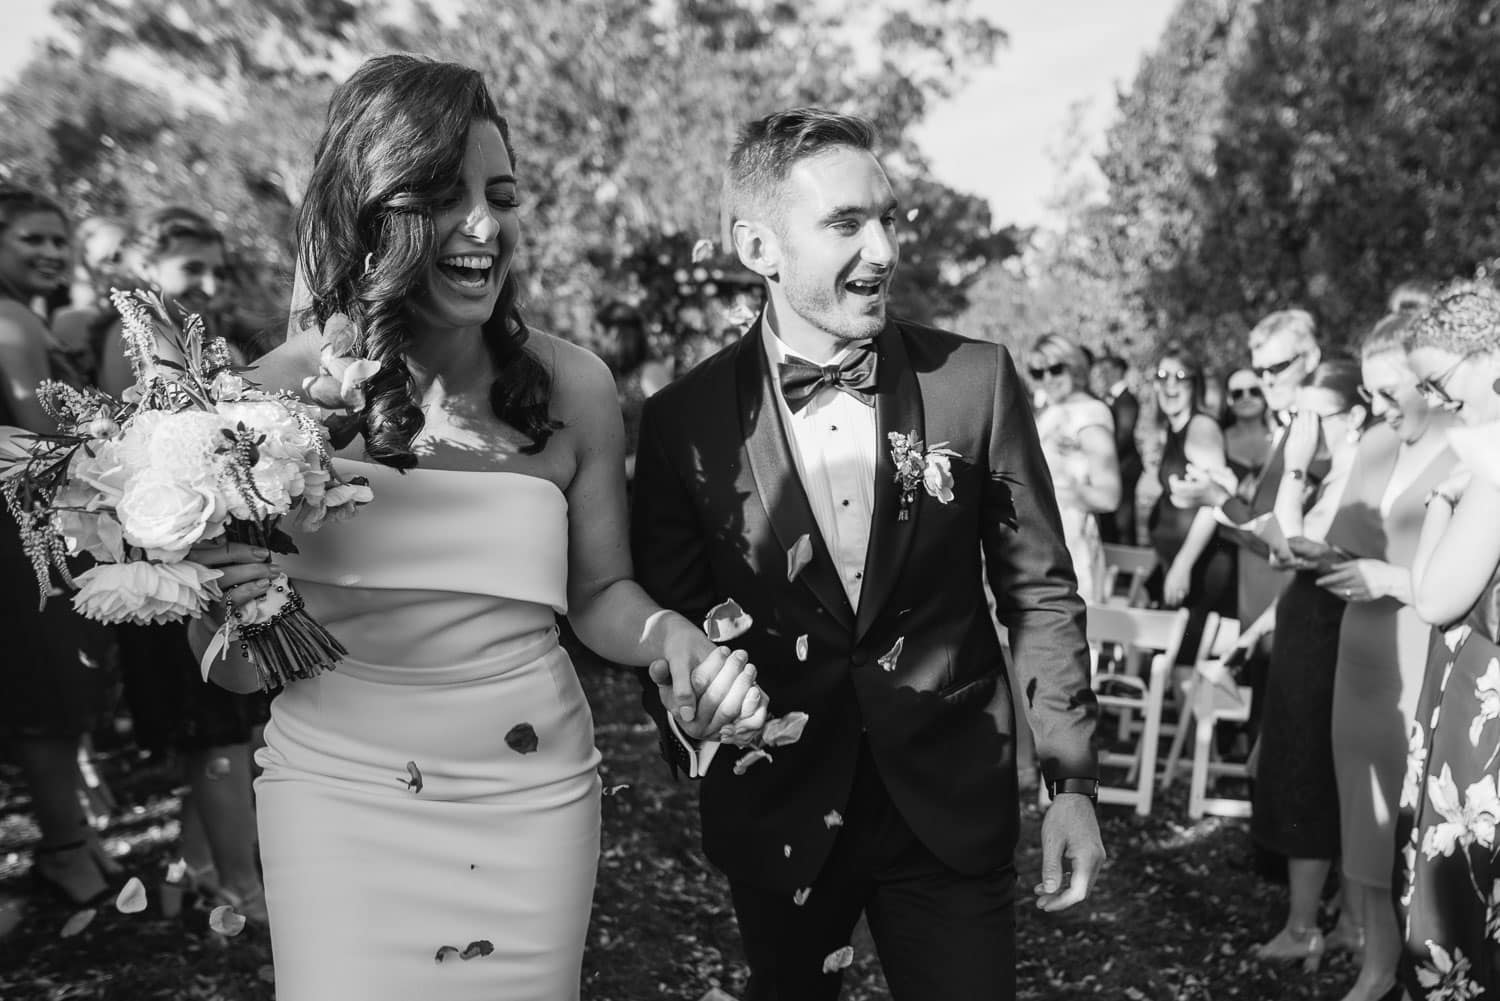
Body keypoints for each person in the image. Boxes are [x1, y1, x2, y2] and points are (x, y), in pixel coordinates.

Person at [191, 55, 764, 1001]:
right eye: (447, 197)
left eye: (501, 195)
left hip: (530, 794)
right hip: (337, 793)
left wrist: (674, 638)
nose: (486, 227)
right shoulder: (262, 401)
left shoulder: (574, 386)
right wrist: (230, 611)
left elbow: (599, 595)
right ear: (375, 209)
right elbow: (229, 667)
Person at [630, 107, 1104, 1001]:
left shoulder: (974, 381)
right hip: (779, 809)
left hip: (951, 799)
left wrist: (1070, 779)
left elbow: (1038, 589)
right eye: (846, 224)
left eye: (888, 218)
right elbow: (676, 623)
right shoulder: (681, 424)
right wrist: (689, 714)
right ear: (758, 246)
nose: (884, 250)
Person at [1318, 313, 1456, 1001]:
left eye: (1388, 391)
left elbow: (1464, 580)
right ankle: (1374, 964)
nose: (1375, 406)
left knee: (1413, 827)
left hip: (1421, 657)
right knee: (1361, 820)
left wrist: (1392, 580)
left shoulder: (1469, 453)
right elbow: (1347, 539)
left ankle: (1416, 967)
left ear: (1429, 384)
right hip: (1359, 654)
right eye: (1368, 392)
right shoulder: (1374, 442)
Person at [0, 187, 118, 907]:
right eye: (30, 239)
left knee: (59, 686)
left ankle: (71, 835)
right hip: (23, 536)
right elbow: (45, 431)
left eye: (56, 240)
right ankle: (66, 852)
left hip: (37, 525)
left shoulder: (28, 315)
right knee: (47, 690)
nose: (49, 251)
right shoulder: (10, 318)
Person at [1247, 359, 1368, 972]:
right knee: (1319, 773)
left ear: (1353, 419)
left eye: (1312, 416)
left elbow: (1292, 543)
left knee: (1307, 771)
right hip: (1309, 633)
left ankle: (1304, 927)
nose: (1301, 427)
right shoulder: (1350, 470)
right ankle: (1347, 921)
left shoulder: (1353, 471)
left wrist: (1294, 461)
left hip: (1324, 645)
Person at [1398, 283, 1500, 1000]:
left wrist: (1443, 497)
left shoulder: (1493, 465)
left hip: (1483, 722)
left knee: (1463, 917)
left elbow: (1434, 594)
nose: (1434, 399)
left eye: (1440, 380)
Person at [1146, 343, 1235, 662]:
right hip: (1177, 566)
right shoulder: (1173, 428)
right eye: (1162, 375)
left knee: (1184, 668)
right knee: (1170, 666)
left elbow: (1215, 502)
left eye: (1181, 376)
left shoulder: (1201, 428)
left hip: (1202, 568)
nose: (1170, 384)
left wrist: (1183, 564)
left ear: (1195, 384)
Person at [1027, 332, 1121, 604]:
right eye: (1037, 372)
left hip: (1072, 541)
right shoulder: (1050, 411)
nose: (1048, 379)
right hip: (1042, 537)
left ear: (1074, 366)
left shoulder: (1091, 413)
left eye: (1056, 368)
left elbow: (1109, 496)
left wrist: (1055, 492)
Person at [593, 300, 671, 479]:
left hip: (646, 483)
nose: (596, 341)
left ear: (613, 333)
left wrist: (627, 468)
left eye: (598, 333)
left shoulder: (650, 372)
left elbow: (673, 435)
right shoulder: (618, 374)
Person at [1094, 354, 1142, 546]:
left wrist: (1100, 455)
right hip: (1113, 467)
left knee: (1124, 521)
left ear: (1118, 371)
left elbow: (1123, 435)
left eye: (1106, 370)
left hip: (1124, 467)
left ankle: (1126, 567)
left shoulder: (1127, 400)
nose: (1102, 375)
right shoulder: (1110, 398)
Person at [1222, 366, 1274, 478]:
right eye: (1237, 394)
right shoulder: (1216, 441)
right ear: (1228, 399)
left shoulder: (1280, 436)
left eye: (1254, 391)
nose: (1246, 397)